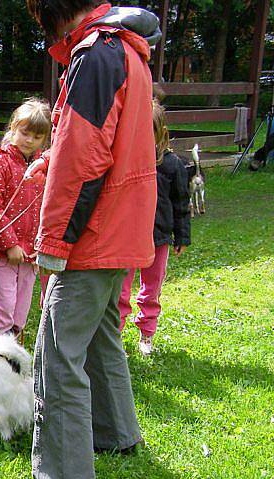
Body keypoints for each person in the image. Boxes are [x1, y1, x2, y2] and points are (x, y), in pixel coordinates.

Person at [23, 0, 161, 479]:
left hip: (95, 230)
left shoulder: (97, 53)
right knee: (102, 335)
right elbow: (92, 141)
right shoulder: (122, 48)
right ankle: (116, 433)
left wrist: (55, 240)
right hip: (123, 221)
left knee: (57, 355)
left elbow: (84, 155)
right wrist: (48, 162)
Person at [119, 99, 191, 356]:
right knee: (120, 291)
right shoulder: (125, 160)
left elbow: (181, 202)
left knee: (152, 289)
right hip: (127, 239)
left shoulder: (173, 165)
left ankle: (146, 334)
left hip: (158, 240)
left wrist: (182, 235)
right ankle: (114, 337)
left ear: (160, 133)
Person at [0, 98, 51, 338]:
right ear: (13, 128)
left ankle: (10, 357)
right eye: (25, 133)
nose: (29, 140)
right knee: (2, 311)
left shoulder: (44, 169)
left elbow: (46, 208)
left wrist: (39, 245)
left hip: (29, 254)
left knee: (19, 314)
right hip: (0, 251)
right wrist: (10, 244)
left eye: (37, 137)